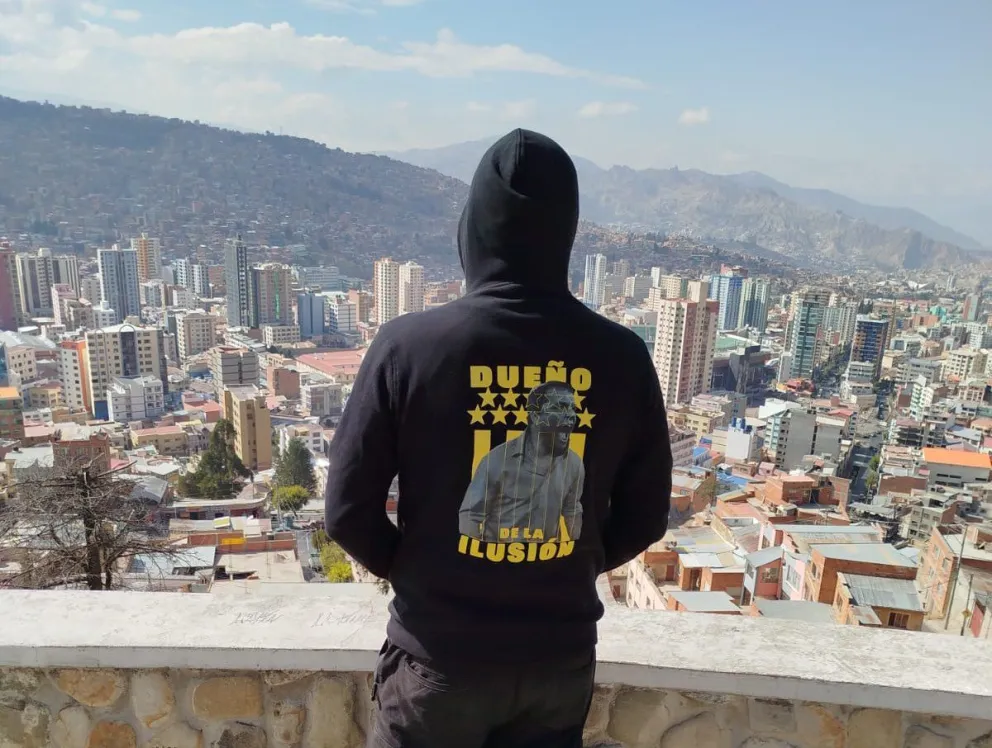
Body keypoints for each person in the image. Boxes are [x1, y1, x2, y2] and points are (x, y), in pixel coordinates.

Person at [325, 128, 672, 748]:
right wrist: (567, 569)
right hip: (557, 663)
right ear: (565, 232)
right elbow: (644, 518)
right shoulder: (623, 357)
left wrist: (422, 575)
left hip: (438, 657)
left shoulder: (408, 348)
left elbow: (348, 511)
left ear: (475, 230)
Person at [459, 380, 585, 544]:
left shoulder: (574, 464)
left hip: (548, 557)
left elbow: (572, 510)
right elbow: (470, 515)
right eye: (559, 407)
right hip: (500, 556)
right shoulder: (497, 460)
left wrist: (578, 550)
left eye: (573, 408)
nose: (571, 415)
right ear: (535, 415)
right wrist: (480, 555)